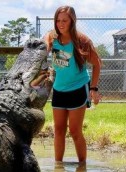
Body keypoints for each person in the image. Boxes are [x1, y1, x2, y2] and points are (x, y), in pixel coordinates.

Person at [43, 5, 101, 163]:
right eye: (58, 20)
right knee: (59, 130)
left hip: (78, 88)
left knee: (75, 131)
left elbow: (97, 63)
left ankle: (82, 167)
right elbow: (43, 49)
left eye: (64, 21)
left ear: (72, 21)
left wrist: (94, 88)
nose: (60, 24)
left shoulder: (82, 41)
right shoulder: (52, 37)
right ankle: (58, 167)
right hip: (59, 89)